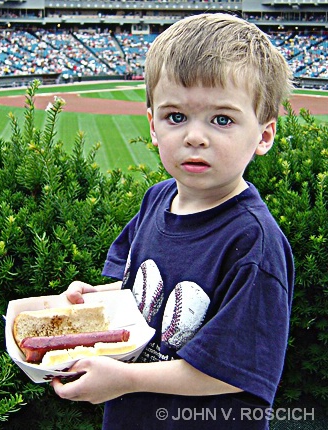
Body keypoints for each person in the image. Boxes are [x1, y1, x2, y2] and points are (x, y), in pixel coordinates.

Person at [52, 13, 294, 429]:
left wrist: (123, 378)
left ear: (264, 135)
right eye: (176, 117)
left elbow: (229, 370)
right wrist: (97, 296)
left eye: (222, 119)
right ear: (152, 125)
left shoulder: (254, 243)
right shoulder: (157, 199)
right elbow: (141, 289)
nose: (194, 136)